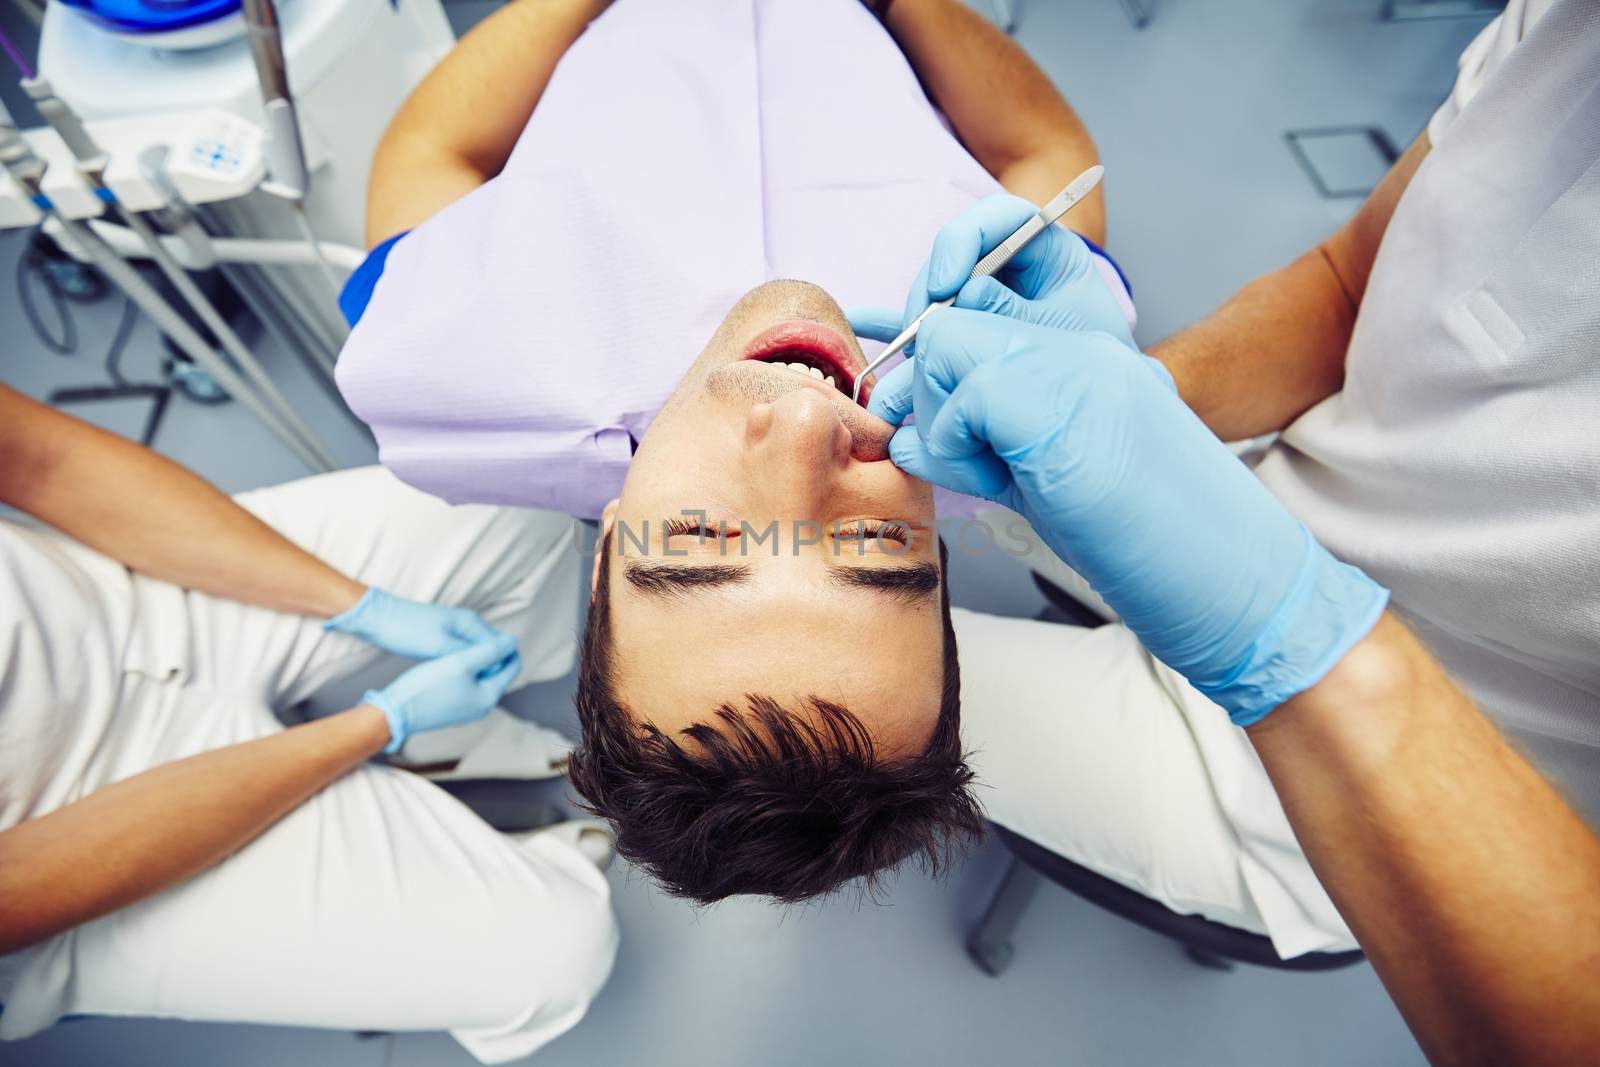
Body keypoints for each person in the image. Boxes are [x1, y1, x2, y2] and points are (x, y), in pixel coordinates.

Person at [336, 0, 1363, 948]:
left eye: (697, 541)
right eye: (873, 543)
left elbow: (438, 147)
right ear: (939, 559)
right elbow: (1039, 150)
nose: (798, 433)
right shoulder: (1021, 357)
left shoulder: (442, 367)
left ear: (605, 550)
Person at [851, 0, 1600, 1060]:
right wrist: (1135, 397)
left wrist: (1305, 648)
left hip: (1375, 804)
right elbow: (1351, 282)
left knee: (841, 689)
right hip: (1236, 491)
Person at [0, 384, 619, 1063]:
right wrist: (378, 720)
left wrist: (361, 606)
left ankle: (440, 747)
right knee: (554, 955)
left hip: (127, 598)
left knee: (517, 508)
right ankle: (432, 785)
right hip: (91, 852)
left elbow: (44, 460)